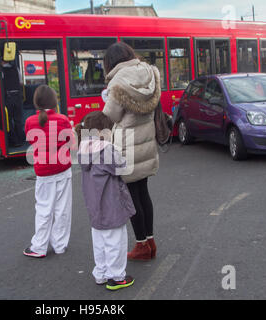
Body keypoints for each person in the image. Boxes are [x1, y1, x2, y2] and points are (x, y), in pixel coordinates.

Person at [102, 42, 161, 261]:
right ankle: (151, 241)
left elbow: (113, 115)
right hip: (146, 141)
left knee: (131, 196)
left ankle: (141, 245)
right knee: (143, 192)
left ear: (111, 62)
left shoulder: (118, 81)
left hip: (127, 144)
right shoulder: (149, 72)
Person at [76, 111, 136, 290]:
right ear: (103, 131)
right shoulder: (106, 149)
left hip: (94, 206)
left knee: (100, 241)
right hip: (111, 204)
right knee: (116, 241)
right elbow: (123, 168)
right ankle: (116, 277)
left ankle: (101, 273)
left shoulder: (83, 148)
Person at [23, 85, 74, 258]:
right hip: (63, 169)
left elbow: (30, 139)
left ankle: (39, 246)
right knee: (63, 209)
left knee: (44, 209)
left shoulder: (30, 122)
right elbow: (72, 144)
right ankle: (60, 244)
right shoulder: (63, 119)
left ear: (36, 102)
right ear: (54, 101)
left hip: (43, 172)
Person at [1, 57, 25, 147]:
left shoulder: (1, 71)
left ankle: (14, 141)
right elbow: (21, 83)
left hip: (8, 97)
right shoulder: (16, 69)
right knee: (18, 120)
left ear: (2, 61)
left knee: (9, 120)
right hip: (18, 97)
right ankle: (21, 139)